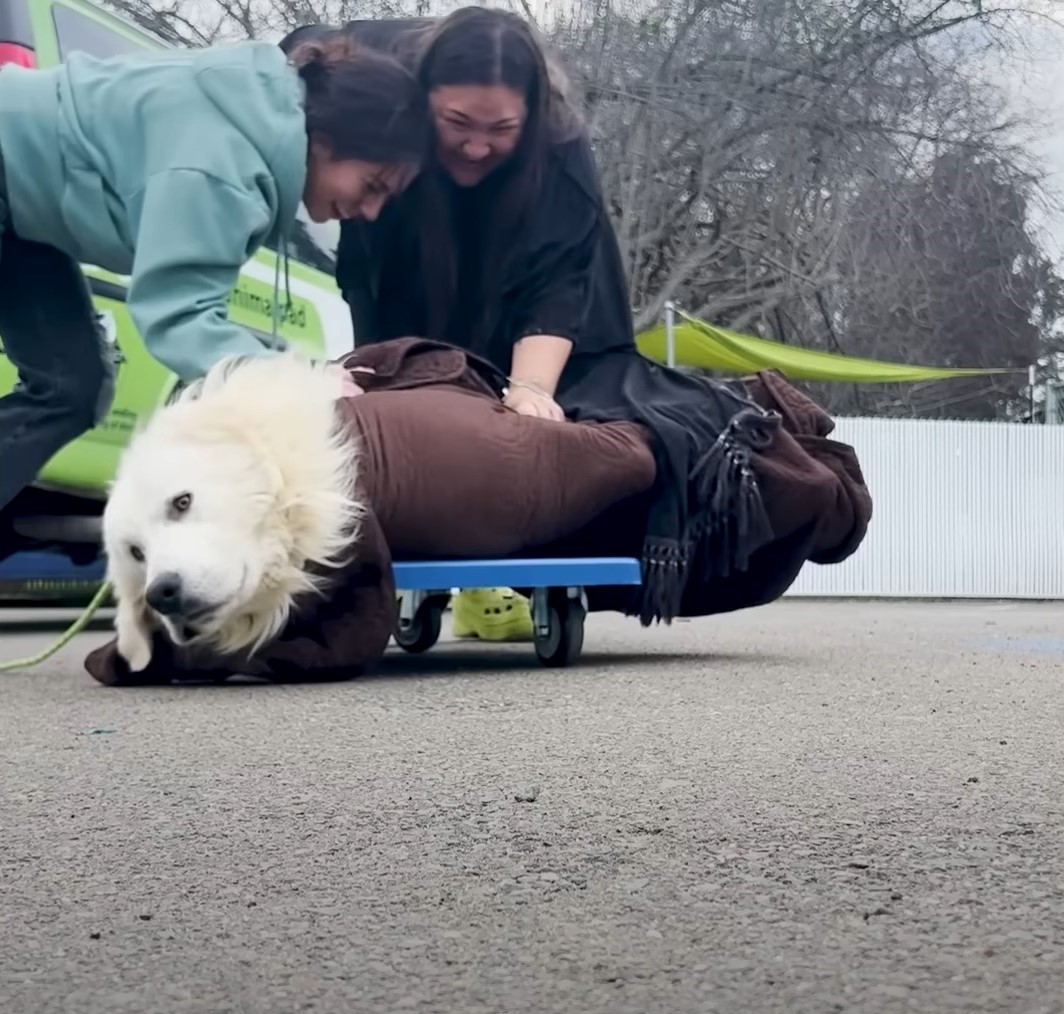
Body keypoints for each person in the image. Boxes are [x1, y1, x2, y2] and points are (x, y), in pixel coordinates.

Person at [284, 8, 783, 637]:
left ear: (533, 117)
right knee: (400, 405)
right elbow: (291, 63)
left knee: (536, 413)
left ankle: (500, 572)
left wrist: (530, 393)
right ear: (419, 97)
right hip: (403, 261)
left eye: (501, 128)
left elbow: (554, 289)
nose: (474, 145)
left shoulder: (561, 145)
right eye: (457, 122)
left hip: (537, 286)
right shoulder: (378, 65)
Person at [0, 36, 430, 516]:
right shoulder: (223, 164)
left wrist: (303, 373)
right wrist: (299, 386)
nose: (369, 211)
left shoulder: (255, 121)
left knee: (70, 388)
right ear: (326, 141)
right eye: (372, 186)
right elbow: (180, 320)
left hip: (23, 220)